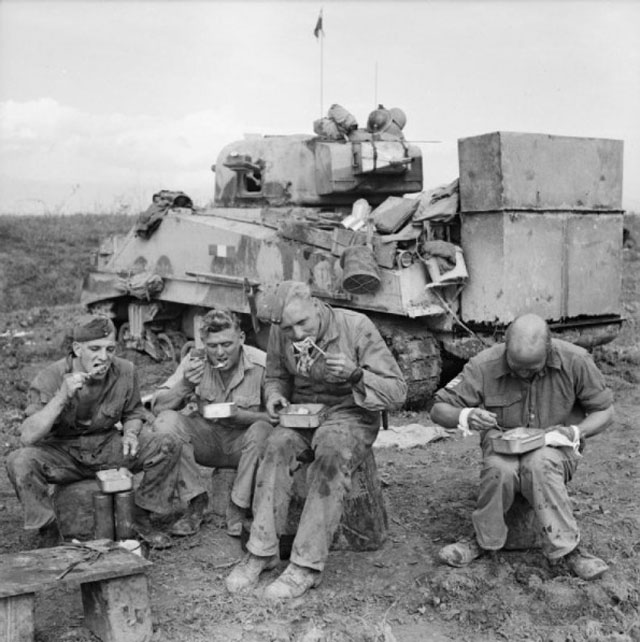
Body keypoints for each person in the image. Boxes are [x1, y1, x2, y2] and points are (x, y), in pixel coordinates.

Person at [225, 281, 407, 599]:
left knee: (332, 457)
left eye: (302, 324)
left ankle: (305, 566)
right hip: (303, 417)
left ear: (316, 305)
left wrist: (356, 375)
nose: (296, 334)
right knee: (276, 446)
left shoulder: (355, 326)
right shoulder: (282, 332)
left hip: (350, 416)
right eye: (287, 327)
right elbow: (276, 377)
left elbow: (398, 392)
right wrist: (276, 397)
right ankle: (262, 551)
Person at [430, 313, 614, 580]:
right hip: (503, 445)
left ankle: (568, 550)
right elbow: (438, 408)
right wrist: (466, 416)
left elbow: (605, 411)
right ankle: (483, 541)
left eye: (532, 368)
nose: (522, 374)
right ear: (506, 348)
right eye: (516, 367)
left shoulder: (576, 360)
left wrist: (574, 432)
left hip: (554, 446)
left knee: (538, 463)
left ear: (549, 350)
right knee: (498, 468)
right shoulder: (485, 364)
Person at [5, 314, 191, 549]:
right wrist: (62, 395)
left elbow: (133, 412)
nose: (103, 357)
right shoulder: (50, 377)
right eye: (94, 349)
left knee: (167, 444)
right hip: (63, 454)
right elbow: (28, 436)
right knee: (19, 461)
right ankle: (49, 530)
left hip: (107, 446)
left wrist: (131, 434)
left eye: (110, 349)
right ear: (77, 348)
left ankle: (142, 518)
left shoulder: (125, 370)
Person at [152, 308, 274, 537]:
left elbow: (279, 418)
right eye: (212, 346)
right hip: (207, 440)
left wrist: (242, 417)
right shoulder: (195, 362)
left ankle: (239, 506)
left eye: (227, 344)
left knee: (262, 429)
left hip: (244, 444)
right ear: (203, 344)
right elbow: (159, 408)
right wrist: (186, 385)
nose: (219, 352)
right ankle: (196, 501)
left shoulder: (261, 364)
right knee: (166, 423)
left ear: (241, 339)